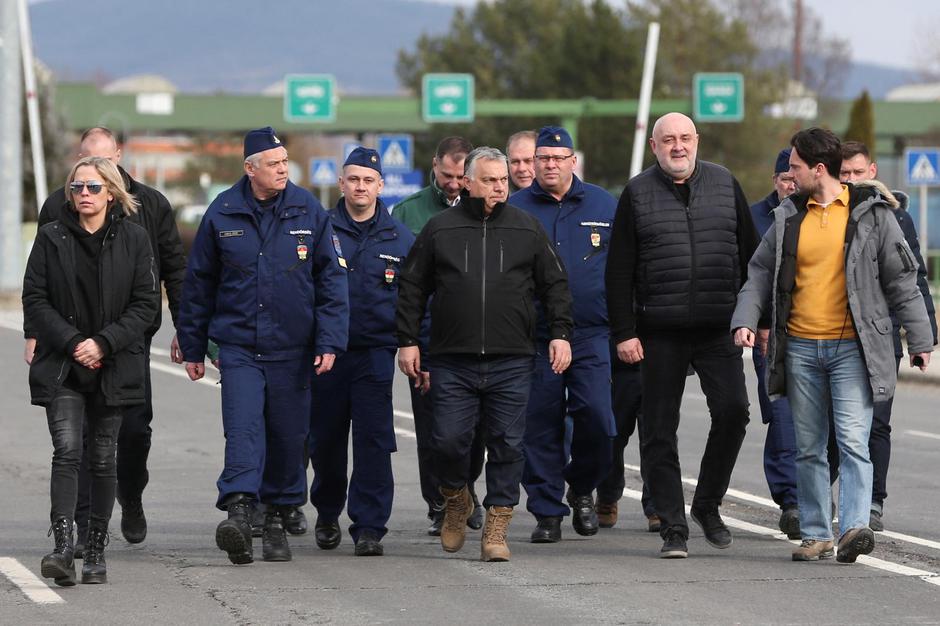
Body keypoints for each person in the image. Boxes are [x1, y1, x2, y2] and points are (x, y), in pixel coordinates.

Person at [731, 127, 933, 564]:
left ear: (817, 169)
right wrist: (746, 319)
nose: (789, 174)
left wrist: (921, 339)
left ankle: (855, 527)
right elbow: (759, 273)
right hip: (801, 347)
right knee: (809, 445)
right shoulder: (788, 216)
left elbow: (902, 279)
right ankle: (817, 533)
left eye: (796, 167)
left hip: (852, 350)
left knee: (854, 439)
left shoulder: (871, 214)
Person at [177, 126, 349, 565]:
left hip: (293, 348)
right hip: (238, 346)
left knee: (288, 436)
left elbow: (331, 281)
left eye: (285, 163)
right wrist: (194, 347)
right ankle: (239, 510)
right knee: (243, 428)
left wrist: (329, 340)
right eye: (273, 164)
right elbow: (199, 285)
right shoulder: (223, 212)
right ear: (249, 168)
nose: (282, 170)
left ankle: (276, 517)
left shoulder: (308, 209)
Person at [396, 146, 573, 561]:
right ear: (468, 183)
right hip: (451, 359)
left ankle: (497, 524)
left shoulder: (526, 228)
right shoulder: (440, 229)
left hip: (511, 358)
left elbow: (555, 286)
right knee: (447, 442)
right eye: (490, 180)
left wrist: (560, 334)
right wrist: (407, 340)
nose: (499, 187)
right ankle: (456, 497)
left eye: (503, 180)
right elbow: (412, 288)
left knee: (509, 444)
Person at [24, 127, 186, 551]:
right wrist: (43, 335)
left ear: (118, 158)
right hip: (68, 347)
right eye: (81, 175)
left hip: (126, 348)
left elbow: (169, 276)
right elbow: (38, 287)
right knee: (73, 445)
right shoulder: (56, 214)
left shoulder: (149, 209)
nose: (86, 186)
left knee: (132, 435)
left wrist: (186, 330)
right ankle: (78, 532)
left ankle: (129, 497)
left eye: (100, 172)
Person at [606, 112, 758, 559]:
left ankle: (707, 505)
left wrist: (757, 318)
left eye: (685, 138)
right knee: (657, 429)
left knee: (734, 412)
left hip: (718, 327)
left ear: (697, 141)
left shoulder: (725, 183)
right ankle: (673, 525)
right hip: (658, 331)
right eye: (668, 139)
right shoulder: (636, 193)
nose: (678, 146)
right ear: (654, 146)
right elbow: (618, 271)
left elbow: (753, 258)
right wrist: (624, 332)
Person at [510, 126, 617, 543]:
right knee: (539, 425)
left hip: (590, 332)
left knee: (598, 420)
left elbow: (623, 268)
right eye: (543, 158)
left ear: (574, 161)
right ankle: (547, 511)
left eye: (559, 157)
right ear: (533, 163)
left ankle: (582, 486)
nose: (551, 164)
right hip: (532, 336)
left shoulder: (603, 204)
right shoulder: (515, 208)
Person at [307, 148, 415, 557]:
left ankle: (369, 525)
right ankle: (327, 512)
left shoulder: (400, 238)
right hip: (328, 355)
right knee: (326, 441)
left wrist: (411, 343)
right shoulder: (321, 229)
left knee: (374, 442)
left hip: (375, 355)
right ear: (341, 183)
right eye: (353, 179)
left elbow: (413, 300)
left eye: (368, 180)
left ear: (381, 186)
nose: (361, 187)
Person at [837, 140, 938, 531]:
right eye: (843, 173)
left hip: (881, 337)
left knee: (877, 423)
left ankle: (873, 504)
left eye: (857, 172)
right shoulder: (827, 214)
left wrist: (921, 340)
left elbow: (913, 281)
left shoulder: (896, 217)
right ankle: (830, 501)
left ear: (872, 171)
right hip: (835, 334)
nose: (850, 180)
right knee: (837, 428)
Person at [392, 136, 486, 534]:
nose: (452, 183)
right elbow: (401, 282)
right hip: (429, 340)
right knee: (434, 430)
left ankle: (465, 488)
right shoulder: (409, 212)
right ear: (434, 166)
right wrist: (407, 337)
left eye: (460, 176)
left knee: (478, 428)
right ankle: (441, 502)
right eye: (446, 174)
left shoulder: (489, 210)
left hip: (476, 338)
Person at [749, 148, 801, 539]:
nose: (791, 185)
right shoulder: (754, 218)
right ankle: (792, 501)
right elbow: (748, 276)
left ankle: (811, 493)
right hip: (771, 336)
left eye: (796, 177)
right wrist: (755, 322)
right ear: (775, 180)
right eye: (785, 179)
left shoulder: (821, 213)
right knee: (782, 417)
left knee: (822, 424)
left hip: (820, 333)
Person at [595, 342, 659, 532]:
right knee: (613, 434)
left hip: (660, 354)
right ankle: (607, 494)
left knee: (658, 436)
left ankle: (658, 504)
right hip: (618, 357)